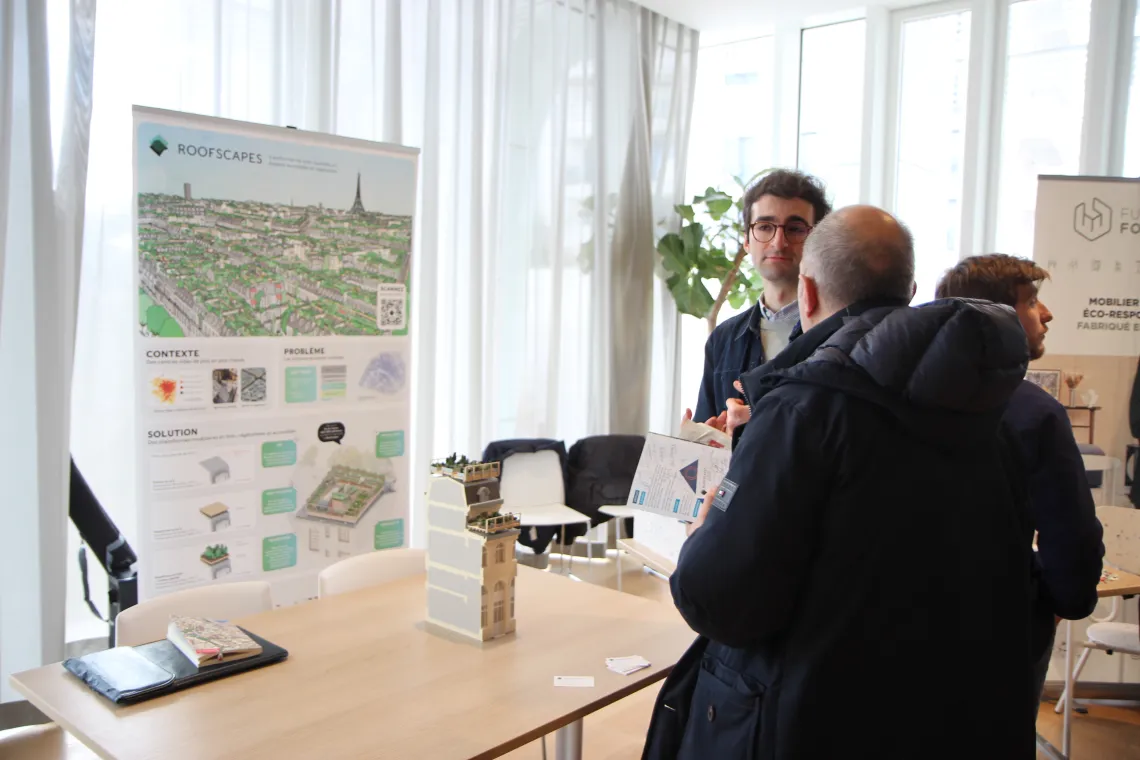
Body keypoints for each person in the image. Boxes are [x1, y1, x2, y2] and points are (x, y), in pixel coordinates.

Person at [645, 207, 1037, 759]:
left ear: (806, 293)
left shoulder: (804, 411)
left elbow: (717, 599)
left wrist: (702, 532)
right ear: (909, 292)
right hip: (949, 711)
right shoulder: (989, 403)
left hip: (813, 717)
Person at [936, 254, 1104, 711]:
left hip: (899, 623)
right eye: (1031, 302)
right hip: (1002, 626)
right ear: (995, 317)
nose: (1046, 314)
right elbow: (1070, 534)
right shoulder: (1033, 412)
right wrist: (1062, 600)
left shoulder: (901, 396)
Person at [689, 169, 831, 425]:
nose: (778, 242)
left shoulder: (840, 335)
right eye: (765, 227)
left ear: (818, 243)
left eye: (795, 229)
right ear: (746, 241)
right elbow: (707, 429)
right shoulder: (723, 339)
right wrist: (696, 438)